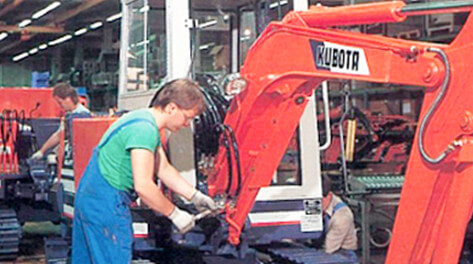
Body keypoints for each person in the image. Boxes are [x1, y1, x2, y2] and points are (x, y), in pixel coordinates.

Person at [72, 78, 217, 264]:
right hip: (106, 204)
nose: (187, 124)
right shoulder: (144, 130)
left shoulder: (141, 119)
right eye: (187, 117)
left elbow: (163, 169)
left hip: (91, 199)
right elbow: (144, 186)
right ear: (171, 108)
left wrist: (195, 196)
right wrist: (175, 214)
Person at [30, 82, 91, 160]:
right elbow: (59, 135)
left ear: (68, 99)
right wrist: (42, 151)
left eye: (60, 102)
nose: (60, 106)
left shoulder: (82, 116)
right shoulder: (69, 115)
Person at [321, 175, 359, 262]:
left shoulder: (342, 216)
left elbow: (329, 249)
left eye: (319, 200)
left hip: (342, 252)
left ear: (328, 196)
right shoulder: (324, 208)